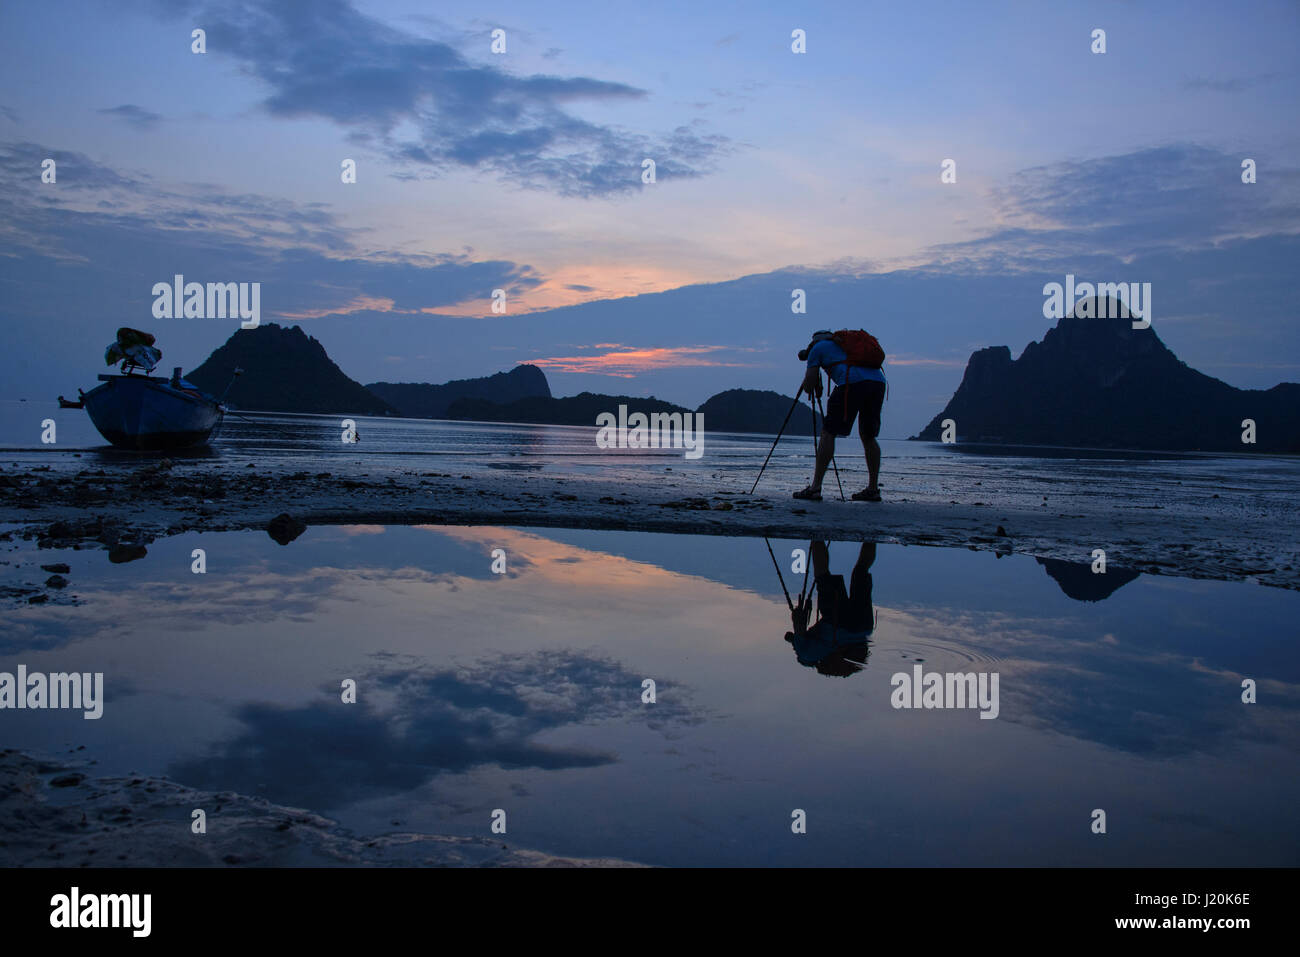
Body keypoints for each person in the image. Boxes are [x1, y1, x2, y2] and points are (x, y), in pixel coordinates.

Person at [794, 330, 886, 502]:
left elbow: (808, 386)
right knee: (868, 435)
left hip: (851, 383)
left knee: (828, 432)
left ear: (813, 342)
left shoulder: (818, 348)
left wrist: (813, 372)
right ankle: (873, 489)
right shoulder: (844, 345)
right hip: (878, 384)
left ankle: (815, 488)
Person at [784, 541, 876, 677]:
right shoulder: (805, 653)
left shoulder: (819, 655)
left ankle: (871, 535)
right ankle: (817, 536)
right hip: (836, 622)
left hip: (863, 627)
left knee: (861, 570)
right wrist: (797, 614)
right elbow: (799, 623)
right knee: (822, 576)